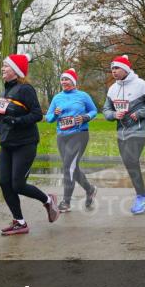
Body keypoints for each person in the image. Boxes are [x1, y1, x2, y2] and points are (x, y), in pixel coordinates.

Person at [0, 53, 59, 235]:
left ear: (16, 71)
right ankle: (19, 222)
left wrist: (16, 122)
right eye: (3, 66)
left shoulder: (25, 89)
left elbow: (36, 115)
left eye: (6, 66)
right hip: (7, 143)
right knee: (4, 182)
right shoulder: (6, 90)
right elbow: (7, 115)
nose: (2, 69)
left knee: (18, 184)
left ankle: (48, 201)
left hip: (25, 143)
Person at [103, 55, 145, 214]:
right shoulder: (112, 89)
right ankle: (143, 196)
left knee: (130, 159)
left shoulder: (141, 85)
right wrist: (113, 115)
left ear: (126, 69)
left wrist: (141, 113)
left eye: (116, 68)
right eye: (112, 69)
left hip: (140, 129)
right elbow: (106, 109)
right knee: (130, 163)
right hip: (122, 131)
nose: (113, 71)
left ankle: (142, 197)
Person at [45, 68, 98, 212]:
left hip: (79, 134)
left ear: (73, 81)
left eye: (67, 79)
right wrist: (55, 115)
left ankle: (66, 202)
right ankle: (90, 189)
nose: (64, 82)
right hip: (62, 136)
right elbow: (48, 118)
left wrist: (85, 117)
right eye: (62, 80)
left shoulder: (83, 96)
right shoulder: (57, 98)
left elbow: (94, 111)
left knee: (68, 167)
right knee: (72, 168)